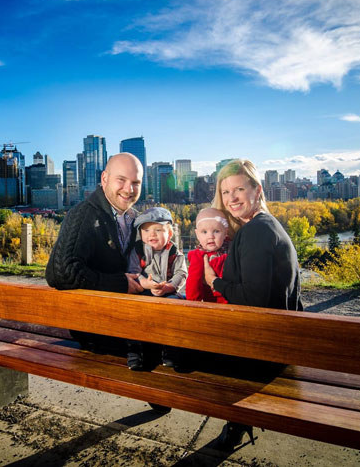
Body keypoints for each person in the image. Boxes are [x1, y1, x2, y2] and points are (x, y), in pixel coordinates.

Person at [203, 159, 303, 451]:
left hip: (265, 348)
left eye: (239, 189)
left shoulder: (256, 232)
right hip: (277, 337)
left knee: (178, 351)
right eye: (225, 192)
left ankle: (235, 418)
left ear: (257, 190)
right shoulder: (264, 226)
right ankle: (237, 422)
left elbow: (253, 299)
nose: (232, 198)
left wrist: (214, 282)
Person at [45, 152, 145, 352]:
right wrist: (120, 283)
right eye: (121, 180)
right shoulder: (84, 215)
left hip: (129, 321)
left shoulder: (136, 219)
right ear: (105, 179)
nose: (129, 189)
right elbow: (60, 273)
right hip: (99, 329)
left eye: (136, 182)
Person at [126, 206, 187, 370]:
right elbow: (133, 271)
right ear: (140, 234)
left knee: (175, 310)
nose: (152, 234)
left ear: (170, 233)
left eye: (158, 230)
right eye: (146, 231)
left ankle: (171, 351)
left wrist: (168, 286)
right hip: (144, 289)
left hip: (168, 292)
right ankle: (135, 352)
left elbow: (181, 273)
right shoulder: (138, 250)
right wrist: (145, 283)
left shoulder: (174, 251)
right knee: (133, 311)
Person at [185, 207, 229, 303]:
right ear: (197, 234)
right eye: (204, 232)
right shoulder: (198, 256)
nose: (210, 236)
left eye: (216, 231)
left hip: (234, 299)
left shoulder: (230, 249)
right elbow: (193, 281)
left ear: (226, 232)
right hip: (213, 302)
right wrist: (193, 301)